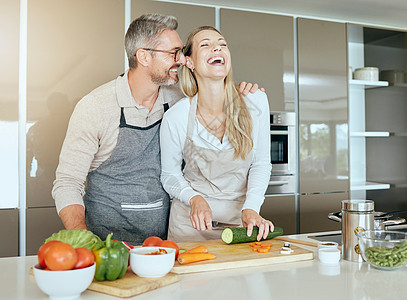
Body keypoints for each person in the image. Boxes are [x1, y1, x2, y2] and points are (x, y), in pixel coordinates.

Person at [52, 14, 260, 244]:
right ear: (143, 57)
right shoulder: (96, 107)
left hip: (163, 241)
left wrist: (242, 93)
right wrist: (85, 239)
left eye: (182, 53)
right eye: (173, 53)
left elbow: (212, 89)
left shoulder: (177, 99)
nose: (180, 60)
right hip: (107, 242)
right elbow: (67, 183)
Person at [160, 26, 273, 243]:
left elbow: (261, 163)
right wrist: (194, 198)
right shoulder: (177, 116)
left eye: (222, 44)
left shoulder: (254, 101)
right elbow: (170, 175)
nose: (217, 48)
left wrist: (251, 208)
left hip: (241, 223)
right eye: (206, 45)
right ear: (189, 62)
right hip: (189, 227)